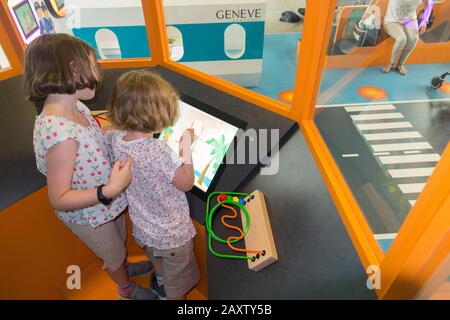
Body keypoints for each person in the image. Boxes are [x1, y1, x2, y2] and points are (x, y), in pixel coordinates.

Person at [24, 34, 157, 300]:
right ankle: (126, 288)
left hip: (107, 204)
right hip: (91, 214)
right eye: (92, 65)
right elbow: (59, 198)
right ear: (72, 70)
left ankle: (122, 266)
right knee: (112, 251)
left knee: (117, 243)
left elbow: (93, 133)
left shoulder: (74, 105)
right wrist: (108, 190)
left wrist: (122, 128)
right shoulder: (59, 134)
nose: (98, 72)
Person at [107, 70, 200, 300]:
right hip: (173, 237)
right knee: (178, 285)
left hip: (144, 230)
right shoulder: (159, 151)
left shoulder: (115, 139)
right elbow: (186, 183)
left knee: (157, 260)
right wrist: (186, 148)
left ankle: (159, 285)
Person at [364, 0, 433, 75]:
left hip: (409, 20)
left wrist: (425, 20)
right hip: (391, 21)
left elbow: (429, 5)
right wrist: (367, 12)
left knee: (414, 39)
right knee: (402, 39)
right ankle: (391, 63)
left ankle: (400, 64)